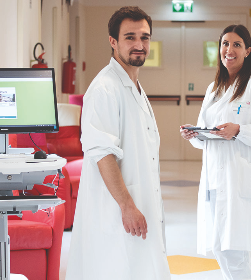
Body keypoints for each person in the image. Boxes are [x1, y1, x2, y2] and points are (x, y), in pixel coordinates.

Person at [65, 6, 171, 280]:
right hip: (118, 212)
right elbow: (103, 154)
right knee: (116, 269)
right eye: (130, 37)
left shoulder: (134, 86)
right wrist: (127, 206)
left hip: (140, 207)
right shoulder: (104, 89)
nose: (139, 45)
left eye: (145, 38)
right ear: (113, 42)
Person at [180, 25, 251, 280]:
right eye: (225, 44)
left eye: (236, 45)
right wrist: (195, 134)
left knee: (233, 253)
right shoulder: (214, 88)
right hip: (213, 176)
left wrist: (238, 130)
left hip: (237, 178)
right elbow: (206, 136)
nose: (229, 50)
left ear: (247, 51)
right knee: (221, 248)